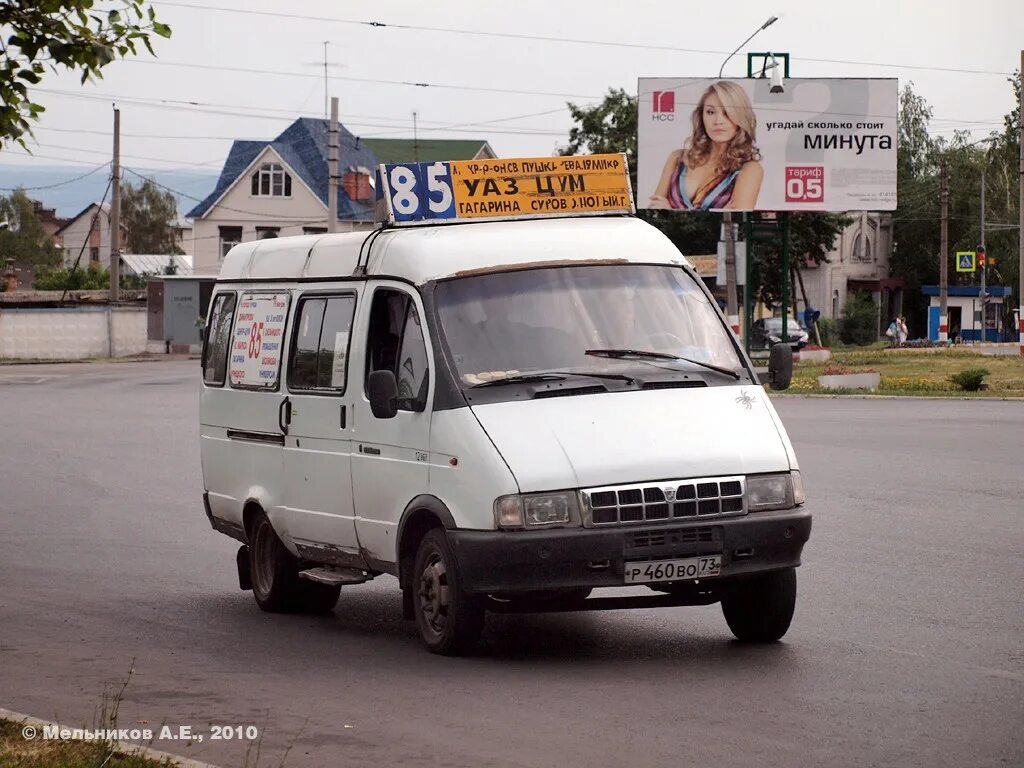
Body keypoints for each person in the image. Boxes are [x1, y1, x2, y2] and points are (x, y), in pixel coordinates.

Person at [648, 81, 763, 210]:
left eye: (727, 113)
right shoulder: (677, 158)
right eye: (710, 112)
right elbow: (655, 208)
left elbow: (734, 220)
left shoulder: (750, 169)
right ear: (701, 116)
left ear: (741, 117)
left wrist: (671, 210)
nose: (718, 121)